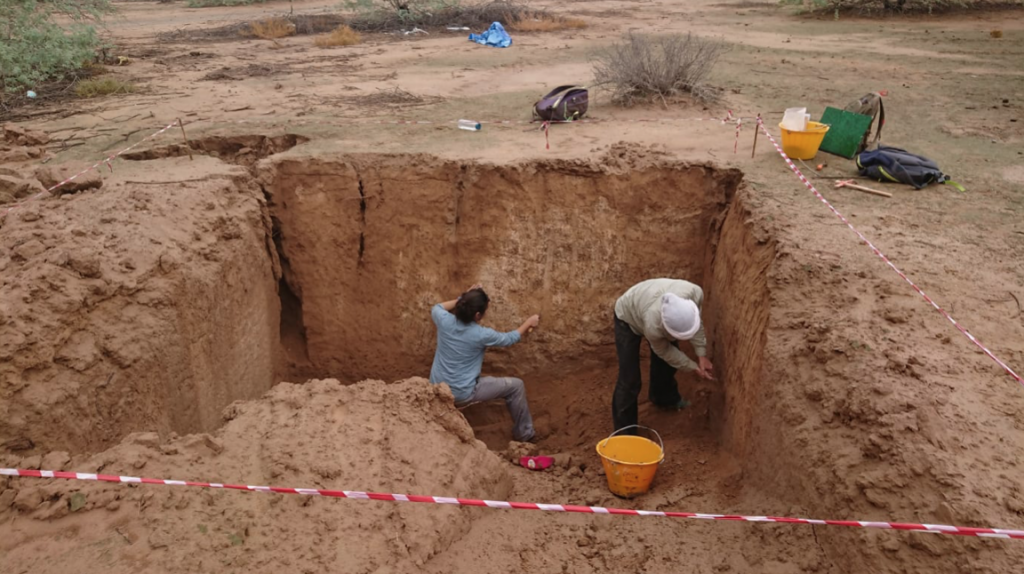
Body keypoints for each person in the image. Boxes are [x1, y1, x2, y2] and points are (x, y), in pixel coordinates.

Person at [429, 284, 541, 442]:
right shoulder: (481, 335)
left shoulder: (443, 320)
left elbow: (437, 307)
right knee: (516, 386)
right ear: (477, 315)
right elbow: (509, 339)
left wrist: (463, 298)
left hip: (437, 389)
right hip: (462, 394)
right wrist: (529, 322)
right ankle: (525, 434)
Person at [612, 278, 714, 433]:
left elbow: (696, 322)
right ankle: (624, 434)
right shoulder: (654, 324)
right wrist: (693, 367)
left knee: (665, 367)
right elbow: (665, 352)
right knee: (630, 380)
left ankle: (664, 398)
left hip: (649, 301)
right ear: (666, 327)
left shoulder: (694, 293)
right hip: (627, 316)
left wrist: (701, 354)